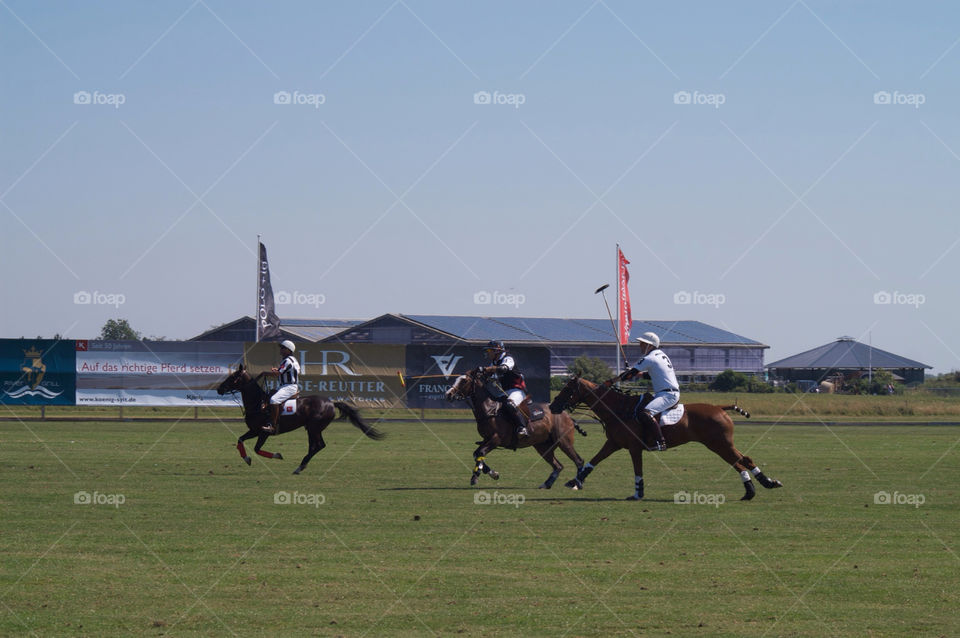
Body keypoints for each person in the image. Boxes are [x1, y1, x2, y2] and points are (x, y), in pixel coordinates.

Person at [608, 331, 677, 451]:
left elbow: (629, 375)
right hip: (665, 393)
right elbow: (651, 375)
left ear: (650, 345)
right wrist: (636, 373)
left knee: (646, 413)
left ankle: (660, 442)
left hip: (668, 395)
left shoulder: (650, 358)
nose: (640, 345)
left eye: (643, 343)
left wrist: (611, 382)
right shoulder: (661, 355)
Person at [477, 340, 529, 438]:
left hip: (517, 390)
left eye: (489, 350)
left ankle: (522, 427)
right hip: (506, 392)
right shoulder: (494, 362)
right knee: (494, 405)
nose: (488, 353)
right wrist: (480, 373)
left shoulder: (508, 358)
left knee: (510, 404)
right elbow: (487, 374)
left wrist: (487, 369)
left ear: (497, 351)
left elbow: (502, 369)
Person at [262, 340, 301, 434]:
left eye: (283, 348)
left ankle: (273, 426)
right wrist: (277, 370)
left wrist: (265, 373)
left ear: (289, 350)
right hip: (286, 386)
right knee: (270, 393)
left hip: (289, 387)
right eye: (281, 348)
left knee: (274, 400)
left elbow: (278, 373)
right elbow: (283, 371)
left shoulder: (287, 361)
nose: (281, 349)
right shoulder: (292, 360)